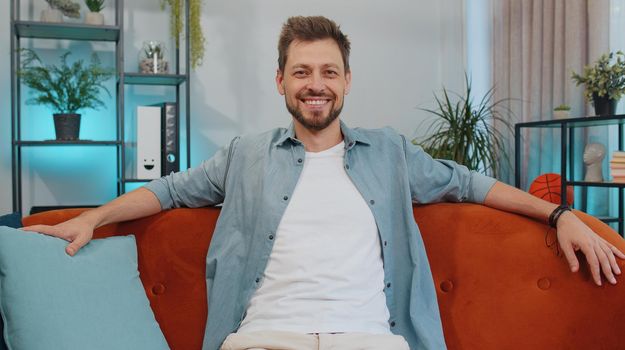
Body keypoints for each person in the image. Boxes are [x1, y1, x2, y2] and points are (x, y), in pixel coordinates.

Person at [23, 16, 624, 350]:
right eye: (303, 71)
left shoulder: (389, 153)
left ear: (347, 81)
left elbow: (469, 184)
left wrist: (558, 215)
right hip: (262, 340)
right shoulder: (244, 155)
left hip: (370, 342)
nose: (317, 83)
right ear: (280, 81)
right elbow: (168, 191)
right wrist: (94, 216)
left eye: (329, 71)